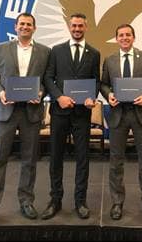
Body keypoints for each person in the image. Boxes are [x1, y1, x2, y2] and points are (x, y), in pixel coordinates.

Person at [0, 13, 50, 226]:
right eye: (22, 24)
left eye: (29, 24)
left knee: (29, 160)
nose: (25, 27)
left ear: (34, 28)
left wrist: (40, 93)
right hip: (5, 111)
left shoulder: (45, 52)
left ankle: (26, 201)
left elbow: (46, 80)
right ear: (15, 27)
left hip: (31, 112)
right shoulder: (1, 48)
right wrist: (0, 93)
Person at [41, 13, 100, 220]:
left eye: (80, 26)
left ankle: (80, 201)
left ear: (86, 27)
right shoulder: (56, 51)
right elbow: (48, 78)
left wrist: (91, 97)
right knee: (56, 156)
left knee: (83, 158)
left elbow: (96, 81)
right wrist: (59, 97)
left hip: (82, 114)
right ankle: (55, 199)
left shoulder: (94, 53)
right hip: (60, 112)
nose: (77, 29)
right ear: (69, 26)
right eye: (74, 25)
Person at [101, 24, 142, 221]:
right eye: (121, 35)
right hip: (118, 114)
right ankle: (117, 202)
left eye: (128, 35)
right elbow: (103, 84)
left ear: (133, 38)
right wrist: (109, 94)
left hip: (141, 114)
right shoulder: (109, 60)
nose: (125, 38)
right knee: (115, 161)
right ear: (116, 38)